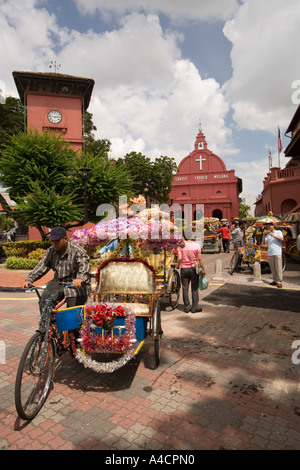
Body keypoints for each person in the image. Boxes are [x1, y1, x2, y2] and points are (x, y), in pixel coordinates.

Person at [22, 226, 91, 307]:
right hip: (58, 282)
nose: (54, 244)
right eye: (52, 241)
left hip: (75, 284)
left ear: (65, 239)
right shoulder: (51, 251)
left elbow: (84, 266)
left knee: (72, 310)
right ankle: (51, 320)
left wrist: (80, 278)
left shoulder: (77, 251)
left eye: (57, 241)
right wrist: (29, 279)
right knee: (44, 303)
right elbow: (42, 266)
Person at [176, 233, 206, 313]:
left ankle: (187, 307)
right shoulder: (196, 245)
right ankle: (194, 308)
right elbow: (200, 259)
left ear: (184, 236)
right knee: (194, 288)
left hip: (184, 269)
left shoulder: (181, 246)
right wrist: (203, 269)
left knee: (185, 288)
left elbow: (179, 258)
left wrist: (177, 266)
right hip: (194, 269)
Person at [264, 222, 284, 288]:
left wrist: (273, 235)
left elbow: (281, 239)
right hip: (270, 252)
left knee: (278, 267)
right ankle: (275, 279)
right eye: (268, 226)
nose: (269, 227)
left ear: (273, 226)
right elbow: (263, 243)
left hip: (277, 252)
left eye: (270, 225)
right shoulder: (267, 235)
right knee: (272, 267)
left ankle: (279, 281)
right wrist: (264, 235)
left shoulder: (278, 232)